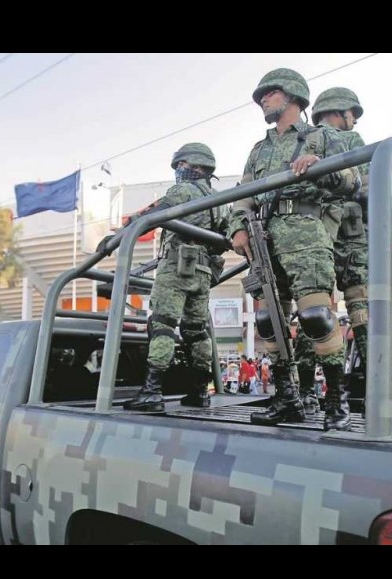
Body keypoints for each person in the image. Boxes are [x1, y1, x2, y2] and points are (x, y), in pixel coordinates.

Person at [227, 68, 360, 431]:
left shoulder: (322, 137)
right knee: (267, 321)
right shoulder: (259, 149)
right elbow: (243, 196)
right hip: (264, 238)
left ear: (292, 95)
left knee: (316, 316)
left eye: (269, 93)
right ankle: (287, 398)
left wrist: (322, 167)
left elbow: (352, 182)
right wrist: (238, 227)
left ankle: (336, 401)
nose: (263, 100)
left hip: (306, 233)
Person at [106, 143, 226, 412]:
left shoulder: (183, 191)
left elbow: (151, 216)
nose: (179, 170)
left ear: (197, 165)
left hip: (176, 267)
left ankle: (152, 391)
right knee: (196, 331)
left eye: (182, 165)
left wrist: (117, 237)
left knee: (162, 324)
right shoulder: (220, 202)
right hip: (203, 272)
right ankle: (200, 391)